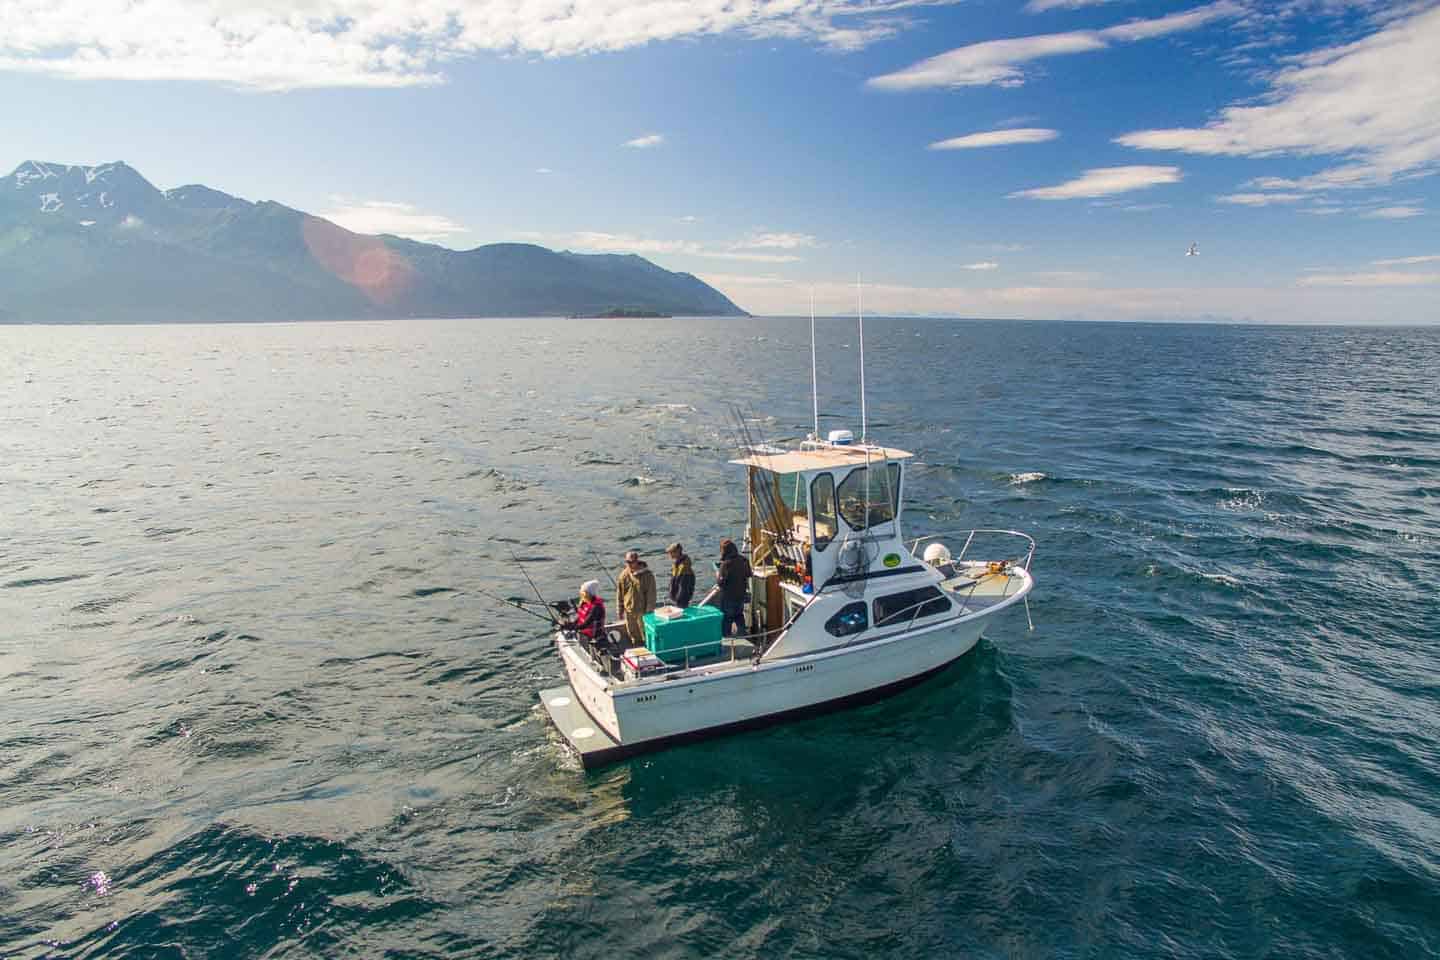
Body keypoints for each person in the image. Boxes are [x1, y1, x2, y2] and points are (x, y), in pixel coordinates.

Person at [616, 550, 657, 645]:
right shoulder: (623, 575)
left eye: (631, 562)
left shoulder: (648, 575)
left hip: (642, 611)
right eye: (627, 562)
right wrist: (620, 610)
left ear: (637, 561)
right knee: (632, 633)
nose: (629, 564)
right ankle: (637, 648)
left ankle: (648, 650)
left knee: (645, 634)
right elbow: (620, 594)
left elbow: (651, 594)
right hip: (629, 611)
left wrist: (649, 611)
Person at [716, 538, 751, 637]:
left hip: (729, 597)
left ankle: (726, 637)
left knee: (727, 618)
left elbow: (720, 583)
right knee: (739, 616)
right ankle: (742, 635)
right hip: (741, 595)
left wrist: (718, 575)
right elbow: (748, 574)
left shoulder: (726, 564)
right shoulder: (744, 560)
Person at [562, 580, 607, 648]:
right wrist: (570, 624)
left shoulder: (596, 607)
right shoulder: (585, 603)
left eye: (584, 594)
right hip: (584, 635)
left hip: (595, 636)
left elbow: (586, 624)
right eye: (581, 594)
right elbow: (579, 618)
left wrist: (572, 627)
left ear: (590, 594)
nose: (582, 596)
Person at [666, 542, 695, 609]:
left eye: (671, 552)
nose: (669, 554)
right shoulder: (676, 564)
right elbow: (674, 580)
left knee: (682, 610)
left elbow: (684, 586)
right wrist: (672, 593)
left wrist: (678, 598)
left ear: (677, 552)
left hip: (681, 598)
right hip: (677, 596)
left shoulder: (684, 567)